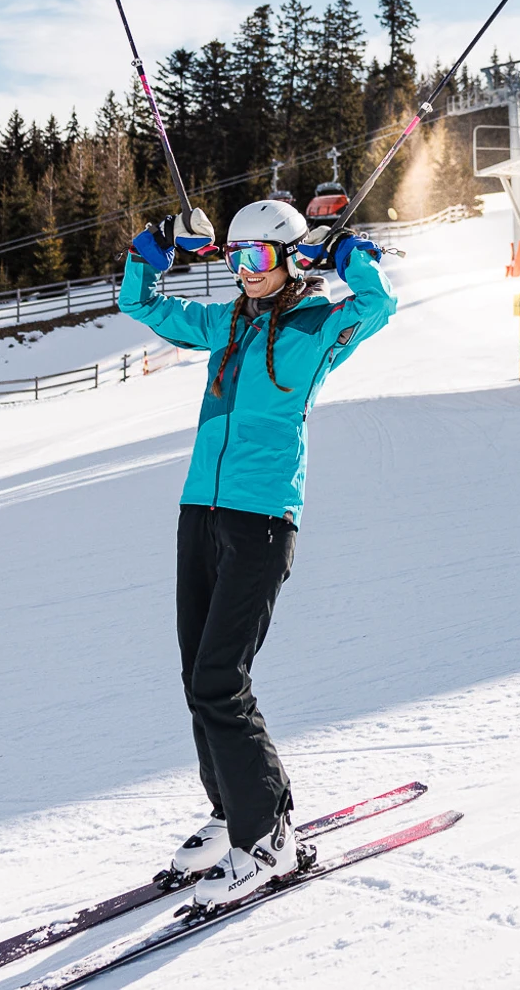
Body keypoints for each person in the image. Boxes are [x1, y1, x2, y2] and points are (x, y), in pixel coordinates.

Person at [120, 196, 395, 908]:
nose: (246, 271)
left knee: (222, 679)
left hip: (262, 519)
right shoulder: (227, 324)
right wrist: (155, 248)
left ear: (288, 258)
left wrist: (343, 256)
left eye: (260, 257)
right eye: (236, 257)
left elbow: (379, 303)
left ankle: (268, 833)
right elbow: (140, 304)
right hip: (199, 511)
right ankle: (228, 811)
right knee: (196, 676)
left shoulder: (314, 326)